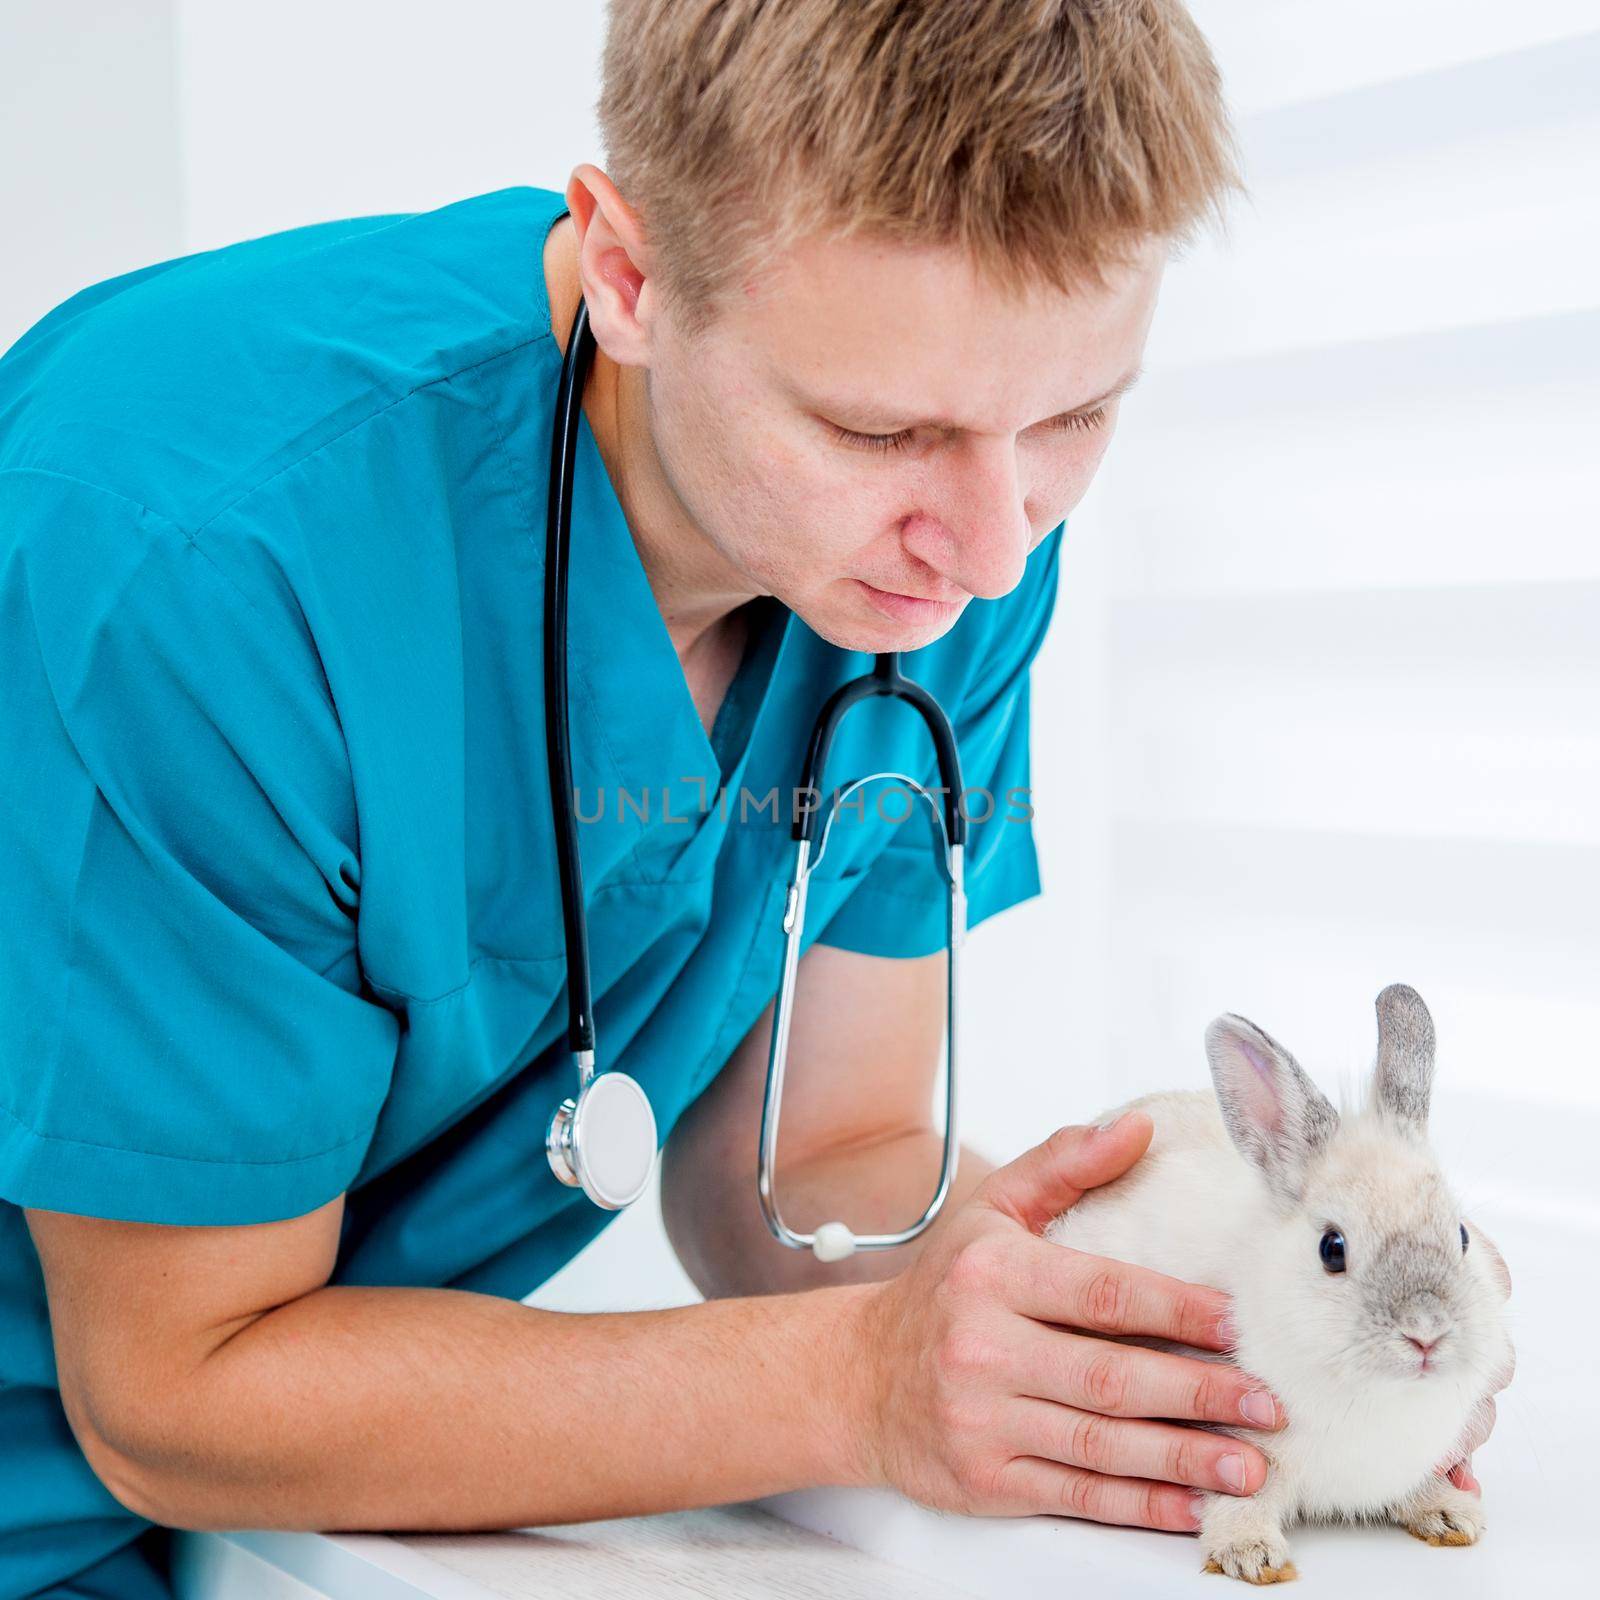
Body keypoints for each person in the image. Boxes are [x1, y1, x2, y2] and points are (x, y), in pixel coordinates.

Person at [0, 3, 1502, 1596]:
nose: (995, 553)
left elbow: (817, 1165)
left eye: (1075, 416)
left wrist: (1210, 1328)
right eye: (880, 429)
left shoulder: (937, 545)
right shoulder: (198, 561)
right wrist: (863, 1385)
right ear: (631, 278)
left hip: (264, 1527)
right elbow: (178, 1397)